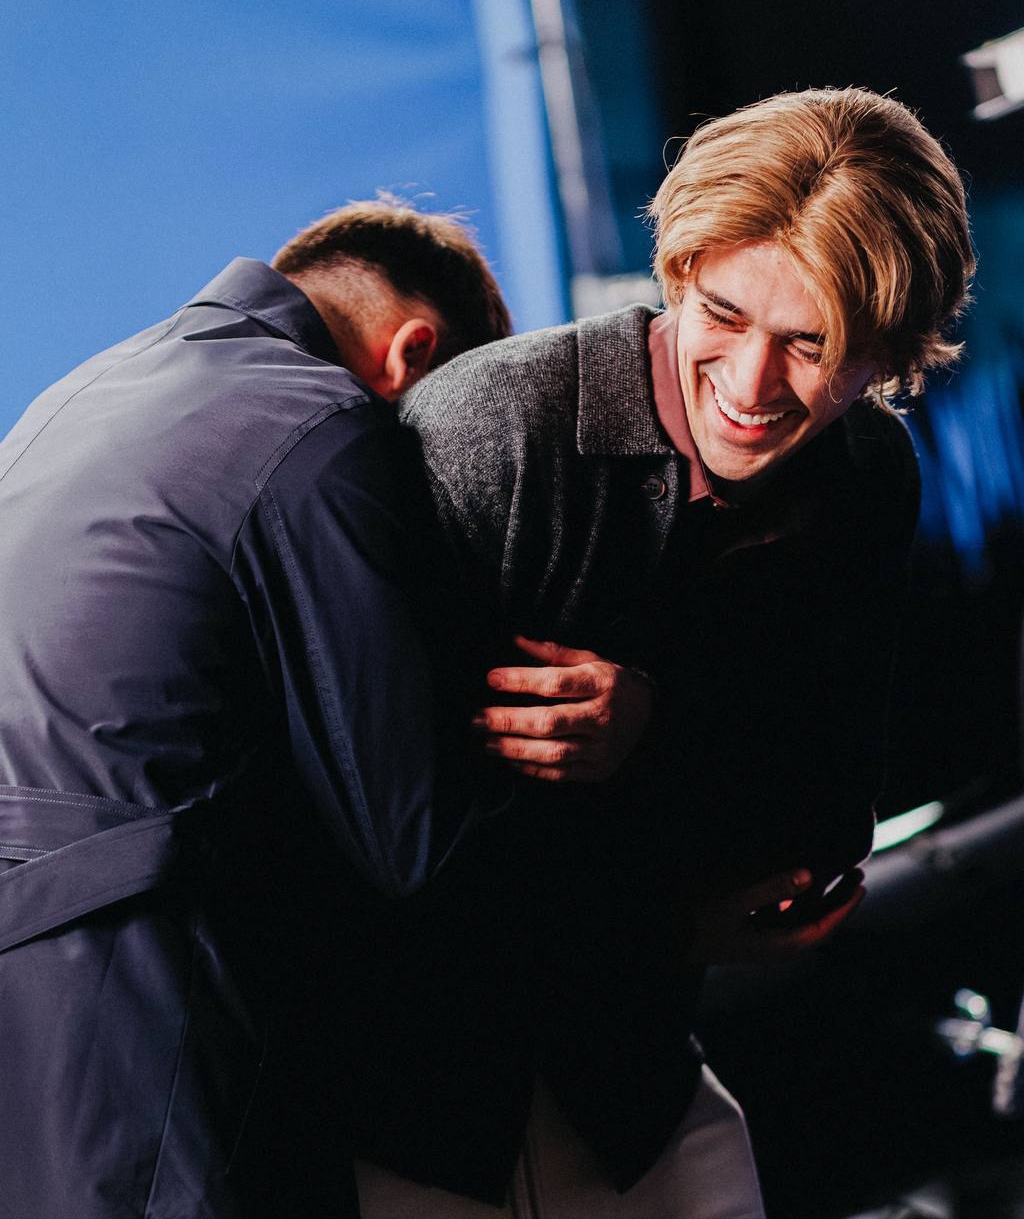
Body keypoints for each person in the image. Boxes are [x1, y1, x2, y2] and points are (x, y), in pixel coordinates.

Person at [379, 88, 976, 1218]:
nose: (749, 387)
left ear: (885, 353)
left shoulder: (867, 471)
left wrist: (658, 730)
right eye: (723, 314)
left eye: (810, 344)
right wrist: (666, 913)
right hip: (418, 1102)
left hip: (635, 1077)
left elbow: (820, 829)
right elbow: (392, 862)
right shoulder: (489, 434)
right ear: (678, 269)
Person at [0, 198, 649, 1219]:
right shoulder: (317, 423)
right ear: (413, 354)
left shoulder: (84, 391)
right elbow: (412, 835)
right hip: (142, 1002)